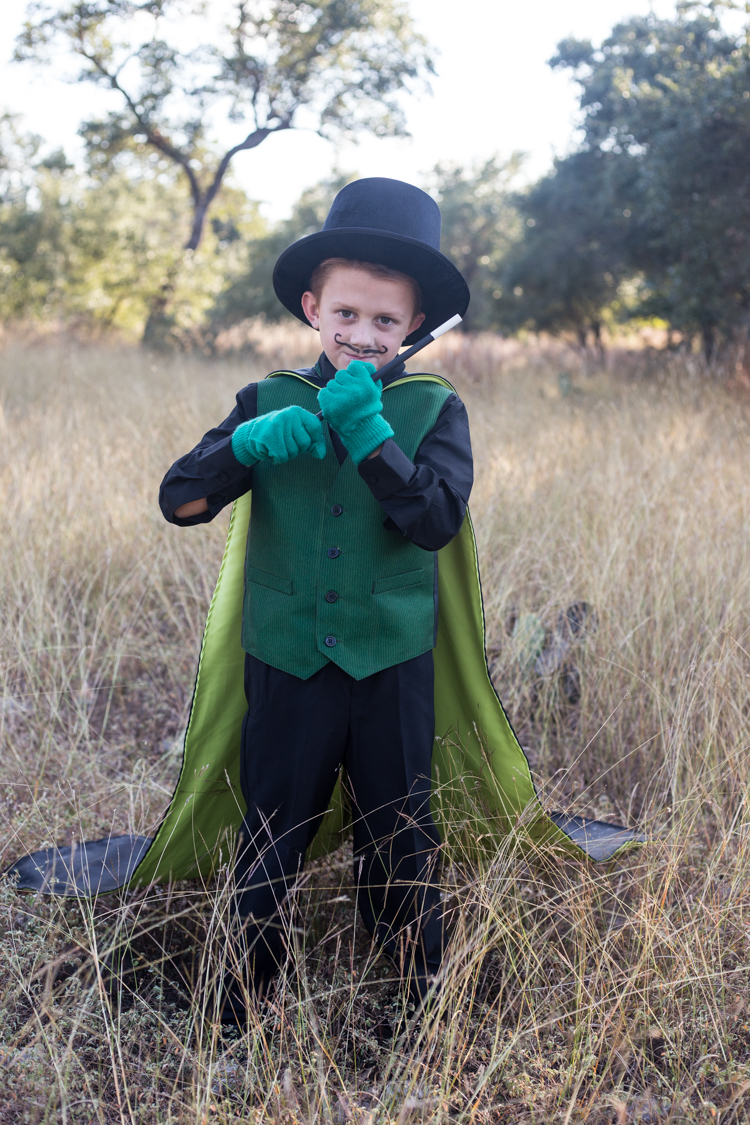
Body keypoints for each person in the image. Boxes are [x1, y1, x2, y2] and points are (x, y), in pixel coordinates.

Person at [159, 177, 472, 1018]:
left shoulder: (430, 407)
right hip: (288, 657)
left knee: (400, 838)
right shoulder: (267, 400)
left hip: (390, 662)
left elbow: (436, 520)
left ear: (412, 325)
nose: (361, 334)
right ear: (312, 306)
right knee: (271, 833)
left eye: (382, 320)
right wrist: (245, 446)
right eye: (345, 314)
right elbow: (179, 501)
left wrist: (372, 435)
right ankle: (238, 1007)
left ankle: (416, 1005)